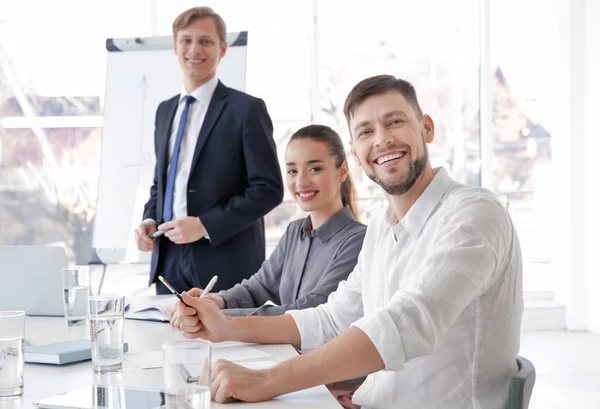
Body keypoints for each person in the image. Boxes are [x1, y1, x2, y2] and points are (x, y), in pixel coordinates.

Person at [172, 75, 524, 409]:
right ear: (355, 154)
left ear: (426, 128)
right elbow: (330, 320)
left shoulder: (474, 214)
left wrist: (266, 381)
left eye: (395, 122)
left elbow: (406, 322)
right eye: (366, 131)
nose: (382, 139)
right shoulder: (382, 232)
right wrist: (226, 327)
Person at [134, 7, 283, 294]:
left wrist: (204, 225)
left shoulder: (246, 110)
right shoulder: (165, 111)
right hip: (168, 259)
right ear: (175, 47)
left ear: (223, 48)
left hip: (225, 260)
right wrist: (148, 219)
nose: (194, 49)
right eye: (186, 40)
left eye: (205, 41)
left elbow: (269, 189)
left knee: (227, 340)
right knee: (168, 337)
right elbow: (162, 183)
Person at [169, 124, 366, 318]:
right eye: (292, 171)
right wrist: (215, 301)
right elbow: (258, 288)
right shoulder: (294, 231)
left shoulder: (358, 240)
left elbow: (310, 310)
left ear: (342, 171)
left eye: (315, 169)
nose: (301, 182)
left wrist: (221, 317)